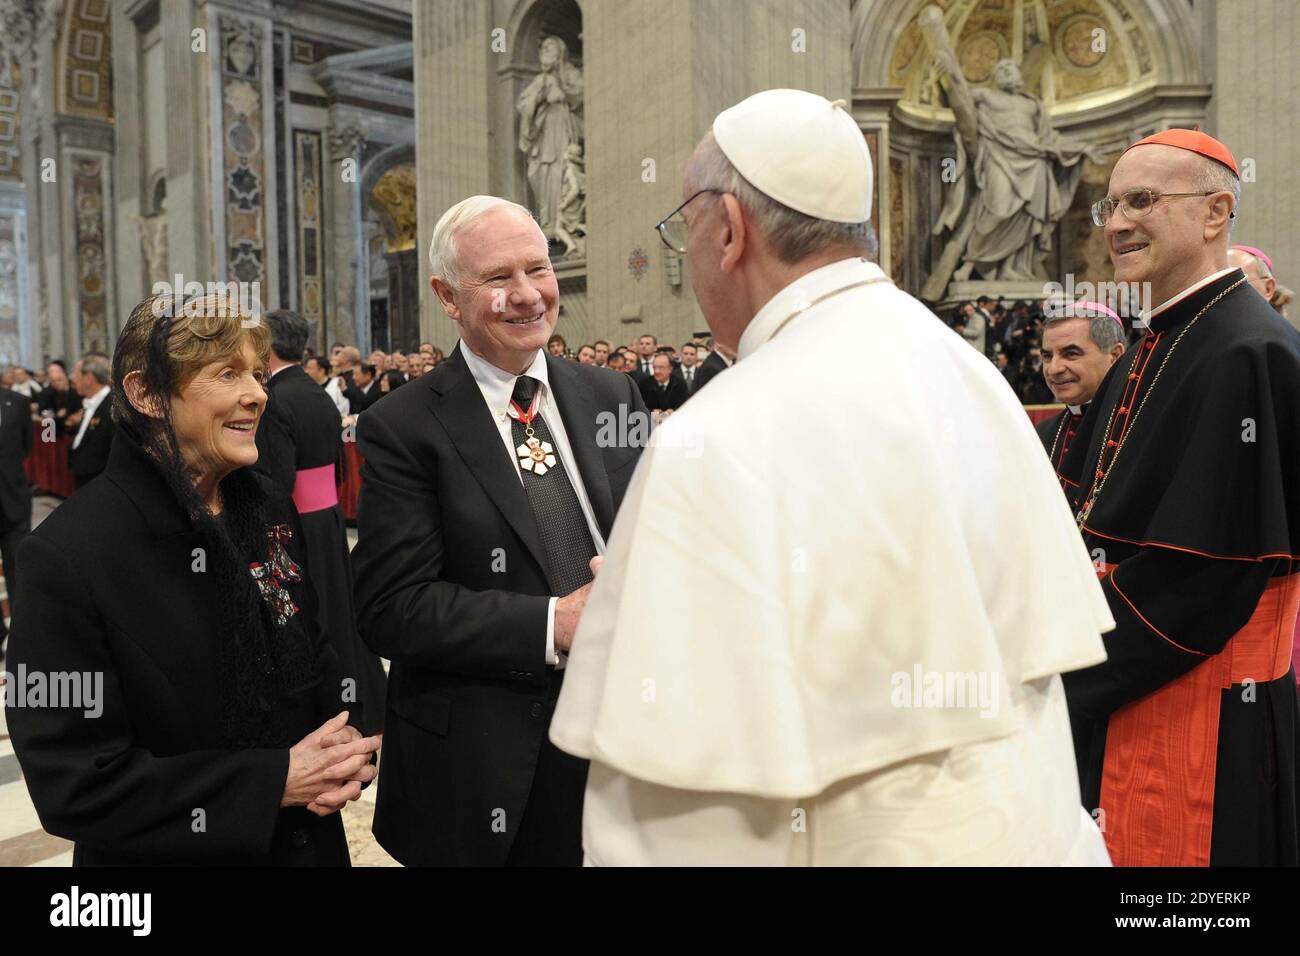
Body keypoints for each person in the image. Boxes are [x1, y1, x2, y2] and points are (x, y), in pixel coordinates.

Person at [550, 88, 1113, 866]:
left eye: (684, 229)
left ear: (729, 229)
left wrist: (655, 601)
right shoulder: (972, 374)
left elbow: (669, 825)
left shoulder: (715, 436)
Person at [5, 291, 382, 865]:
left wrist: (341, 744)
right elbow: (74, 786)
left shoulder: (268, 508)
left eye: (257, 373)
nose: (257, 393)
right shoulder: (65, 557)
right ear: (147, 393)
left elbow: (316, 652)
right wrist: (270, 782)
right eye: (227, 374)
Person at [351, 195, 648, 867]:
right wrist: (554, 624)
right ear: (447, 296)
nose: (527, 296)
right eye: (497, 279)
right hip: (491, 763)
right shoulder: (403, 427)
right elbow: (390, 608)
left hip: (623, 738)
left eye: (537, 270)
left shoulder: (611, 396)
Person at [1060, 128, 1300, 866]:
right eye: (1113, 205)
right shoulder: (1155, 342)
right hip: (1139, 677)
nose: (1119, 222)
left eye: (1143, 201)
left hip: (1199, 704)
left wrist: (1063, 672)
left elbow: (1205, 578)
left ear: (1215, 212)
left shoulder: (1245, 349)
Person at [255, 309, 387, 735]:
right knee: (335, 607)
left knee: (310, 611)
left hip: (297, 520)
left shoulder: (274, 398)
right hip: (327, 518)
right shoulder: (316, 392)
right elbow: (335, 464)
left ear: (268, 347)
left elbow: (279, 477)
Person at [1035, 303, 1126, 482]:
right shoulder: (1040, 434)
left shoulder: (1137, 425)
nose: (1054, 369)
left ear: (1115, 356)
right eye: (1047, 356)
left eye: (1071, 354)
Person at [0, 379, 32, 660]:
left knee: (18, 569)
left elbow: (26, 446)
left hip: (13, 501)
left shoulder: (17, 403)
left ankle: (22, 638)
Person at [68, 353, 115, 489]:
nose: (73, 380)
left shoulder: (112, 406)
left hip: (100, 484)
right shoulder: (91, 402)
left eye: (76, 375)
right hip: (86, 479)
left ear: (88, 378)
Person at [638, 352, 688, 418]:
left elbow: (685, 406)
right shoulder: (644, 385)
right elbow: (639, 408)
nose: (656, 371)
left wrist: (674, 411)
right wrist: (651, 411)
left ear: (670, 369)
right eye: (654, 367)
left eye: (660, 367)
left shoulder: (680, 384)